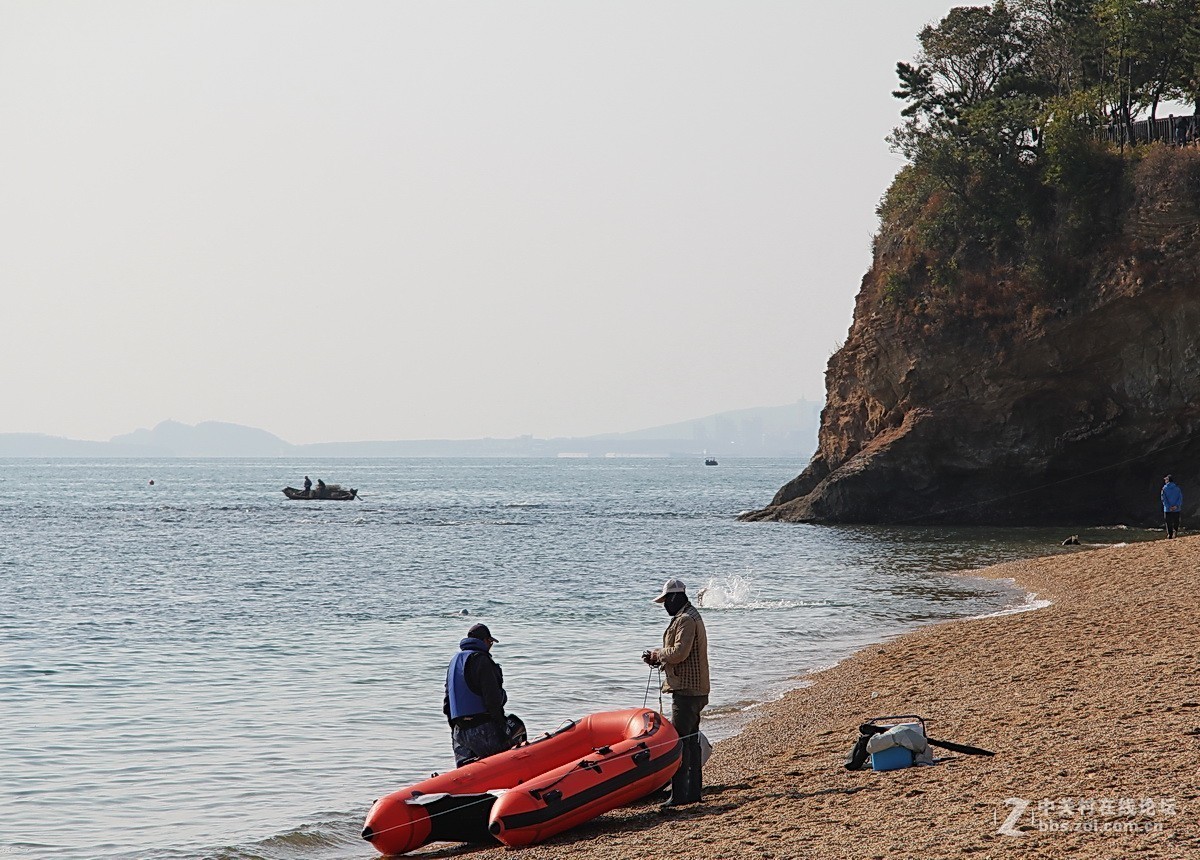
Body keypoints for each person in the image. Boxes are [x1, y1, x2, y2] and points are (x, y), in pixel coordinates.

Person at [642, 578, 709, 807]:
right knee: (690, 741)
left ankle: (680, 795)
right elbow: (683, 656)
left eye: (665, 601)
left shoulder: (686, 620)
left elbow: (680, 652)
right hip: (693, 688)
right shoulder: (688, 616)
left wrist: (658, 654)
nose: (664, 606)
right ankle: (692, 793)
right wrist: (658, 659)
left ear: (674, 598)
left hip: (687, 691)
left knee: (680, 742)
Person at [443, 623, 510, 766]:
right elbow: (492, 700)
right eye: (490, 642)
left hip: (459, 732)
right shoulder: (482, 660)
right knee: (502, 765)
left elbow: (447, 703)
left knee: (469, 775)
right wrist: (502, 727)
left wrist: (454, 730)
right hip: (483, 728)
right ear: (485, 641)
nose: (491, 646)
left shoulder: (454, 662)